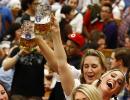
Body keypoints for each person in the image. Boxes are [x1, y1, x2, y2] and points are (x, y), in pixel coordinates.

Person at [49, 16, 125, 100]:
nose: (89, 70)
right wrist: (56, 33)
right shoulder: (78, 89)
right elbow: (61, 64)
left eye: (119, 82)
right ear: (104, 76)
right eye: (86, 66)